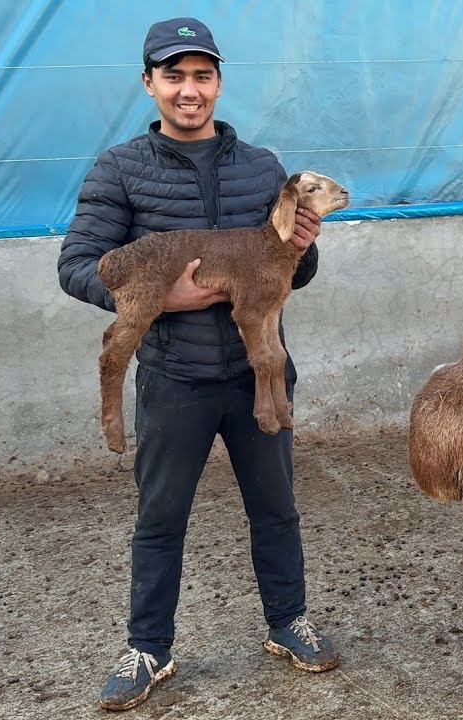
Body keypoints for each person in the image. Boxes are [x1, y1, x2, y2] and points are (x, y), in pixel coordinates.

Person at [57, 17, 340, 711]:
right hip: (174, 378)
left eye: (202, 76)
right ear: (150, 83)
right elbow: (76, 267)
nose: (190, 91)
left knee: (276, 509)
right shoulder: (120, 169)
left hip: (255, 374)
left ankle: (288, 623)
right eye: (175, 76)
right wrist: (155, 301)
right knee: (160, 516)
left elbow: (293, 277)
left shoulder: (262, 167)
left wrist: (304, 245)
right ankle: (147, 648)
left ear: (218, 82)